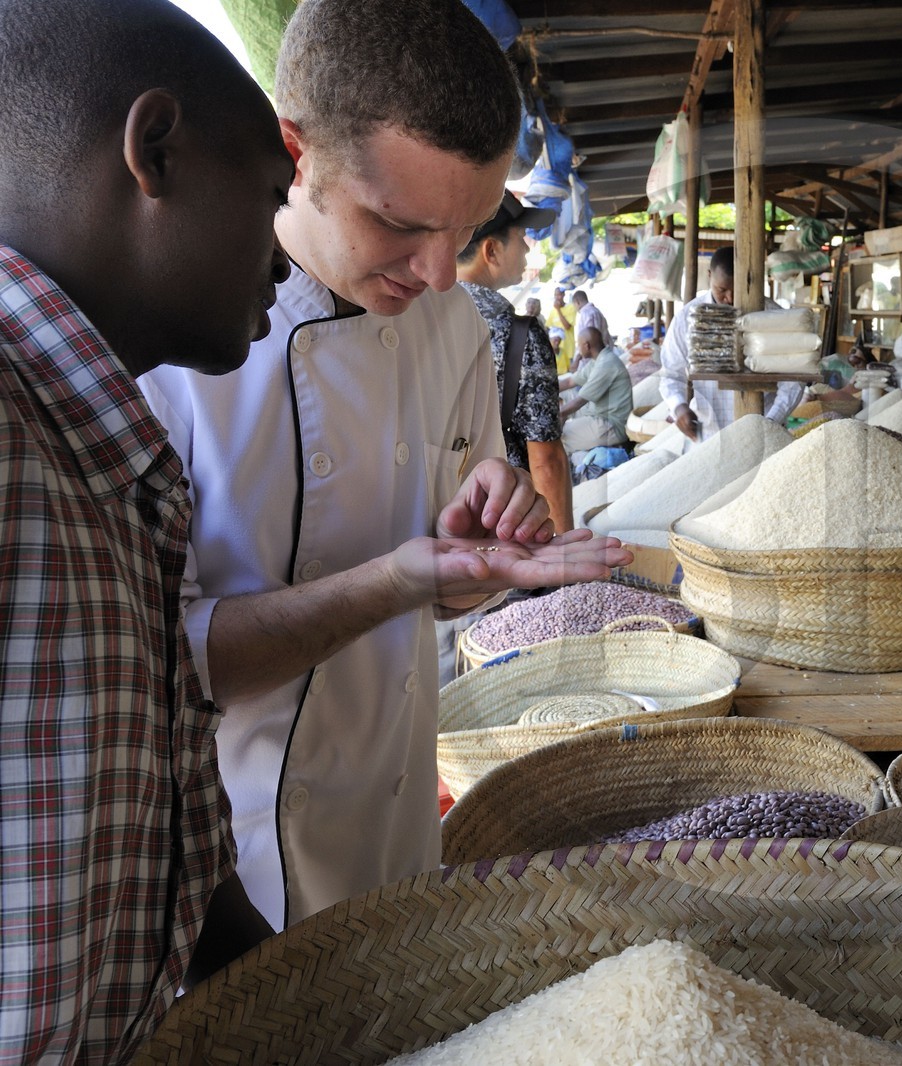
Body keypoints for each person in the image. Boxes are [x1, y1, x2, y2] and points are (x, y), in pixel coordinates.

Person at [138, 0, 628, 935]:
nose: (441, 273)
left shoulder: (451, 327)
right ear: (298, 151)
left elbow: (453, 570)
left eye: (468, 226)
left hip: (399, 821)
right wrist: (398, 580)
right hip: (229, 868)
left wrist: (475, 563)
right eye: (399, 222)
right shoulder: (174, 346)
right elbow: (159, 661)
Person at [0, 0, 295, 1058]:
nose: (284, 261)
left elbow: (176, 850)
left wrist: (328, 1008)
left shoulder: (106, 457)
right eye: (271, 200)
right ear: (155, 151)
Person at [457, 190, 573, 532]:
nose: (527, 248)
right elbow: (545, 460)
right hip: (505, 526)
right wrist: (564, 559)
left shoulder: (417, 320)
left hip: (428, 524)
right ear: (491, 250)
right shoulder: (519, 334)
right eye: (521, 238)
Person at [659, 246, 805, 439]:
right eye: (721, 290)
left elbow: (794, 378)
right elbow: (671, 373)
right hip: (708, 431)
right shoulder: (688, 317)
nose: (729, 298)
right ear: (709, 275)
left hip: (763, 433)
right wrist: (679, 407)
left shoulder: (774, 317)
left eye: (736, 290)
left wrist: (771, 421)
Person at [560, 326, 633, 450]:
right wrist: (541, 389)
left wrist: (556, 416)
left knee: (558, 438)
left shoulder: (606, 364)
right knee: (564, 394)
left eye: (579, 345)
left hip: (610, 425)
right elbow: (569, 382)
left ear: (587, 346)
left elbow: (579, 401)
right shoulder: (598, 360)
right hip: (597, 413)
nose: (578, 349)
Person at [550, 287, 576, 373]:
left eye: (560, 295)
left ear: (564, 295)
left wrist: (558, 310)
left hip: (568, 349)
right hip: (557, 351)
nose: (557, 297)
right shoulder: (552, 310)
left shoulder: (571, 307)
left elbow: (567, 326)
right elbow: (548, 328)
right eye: (556, 295)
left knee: (569, 374)